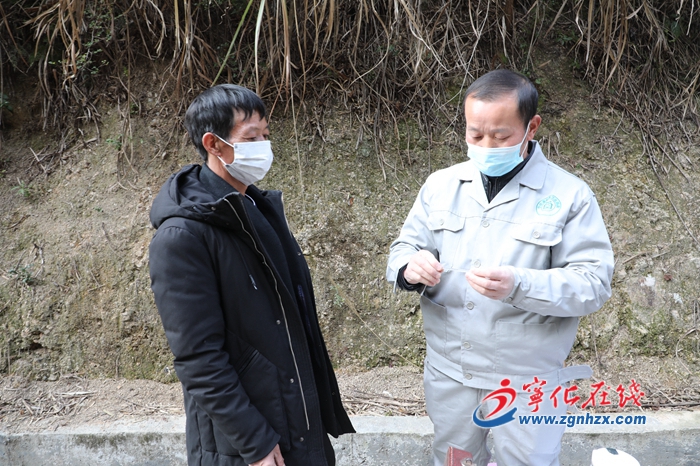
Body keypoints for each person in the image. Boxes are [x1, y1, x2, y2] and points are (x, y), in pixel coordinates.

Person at [386, 69, 614, 466]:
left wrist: (519, 284)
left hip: (528, 379)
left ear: (531, 127)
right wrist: (409, 267)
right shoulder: (441, 186)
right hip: (451, 373)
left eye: (501, 136)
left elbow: (592, 283)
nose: (487, 146)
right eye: (475, 135)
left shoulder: (569, 196)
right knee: (455, 460)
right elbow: (403, 248)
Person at [149, 84, 354, 466]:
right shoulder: (182, 237)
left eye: (265, 135)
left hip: (297, 423)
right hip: (247, 447)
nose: (263, 146)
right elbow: (198, 359)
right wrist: (254, 441)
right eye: (251, 137)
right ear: (214, 144)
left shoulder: (258, 210)